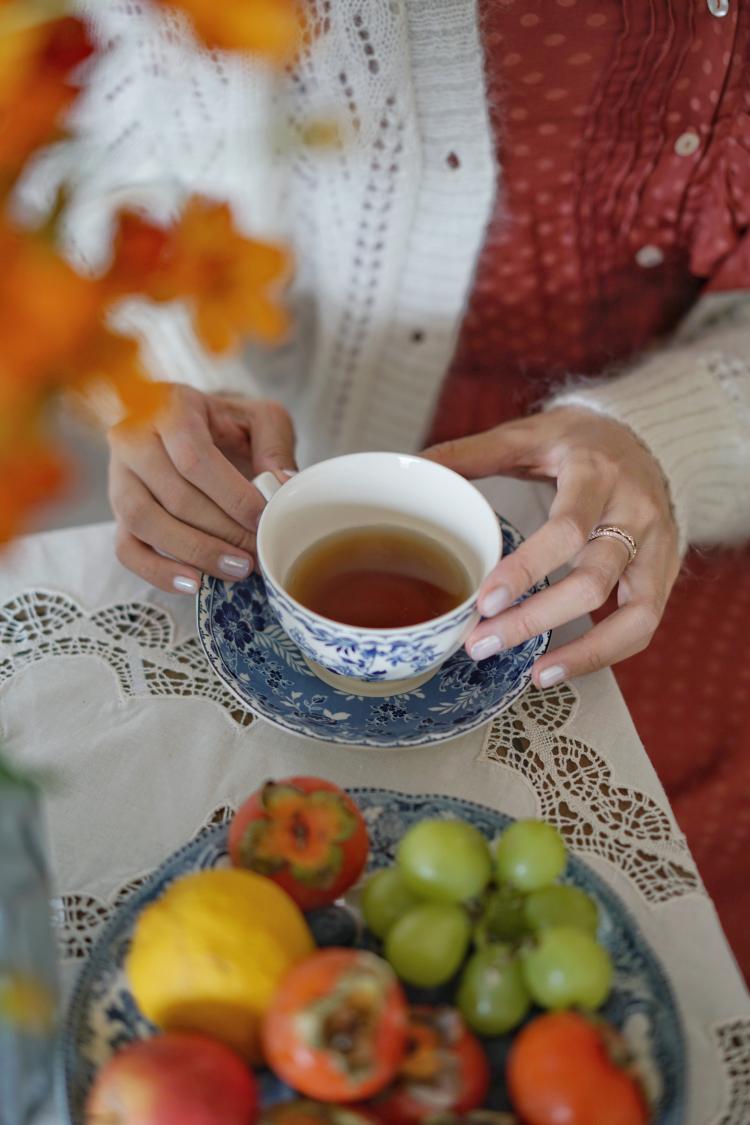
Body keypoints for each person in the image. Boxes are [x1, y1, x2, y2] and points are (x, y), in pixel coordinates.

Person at [32, 2, 750, 968]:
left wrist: (663, 436)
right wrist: (160, 374)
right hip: (291, 466)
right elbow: (83, 152)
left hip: (679, 532)